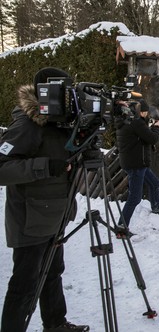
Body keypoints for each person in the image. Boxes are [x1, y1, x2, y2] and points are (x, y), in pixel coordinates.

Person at [0, 68, 89, 331]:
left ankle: (55, 324)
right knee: (25, 284)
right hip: (30, 221)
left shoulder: (61, 126)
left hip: (54, 216)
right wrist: (44, 167)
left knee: (52, 274)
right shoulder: (27, 125)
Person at [115, 98, 159, 229]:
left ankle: (156, 208)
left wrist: (150, 127)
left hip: (137, 163)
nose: (147, 114)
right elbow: (152, 138)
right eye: (145, 112)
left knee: (154, 184)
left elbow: (141, 136)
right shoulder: (136, 123)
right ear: (141, 112)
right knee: (134, 198)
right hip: (136, 164)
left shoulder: (127, 121)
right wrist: (157, 127)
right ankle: (121, 227)